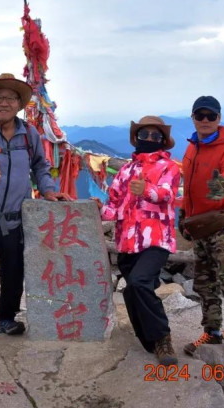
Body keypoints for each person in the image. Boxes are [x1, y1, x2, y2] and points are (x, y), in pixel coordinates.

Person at [0, 73, 71, 363]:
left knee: (13, 271)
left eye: (10, 98)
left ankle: (7, 318)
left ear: (19, 104)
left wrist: (48, 190)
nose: (4, 102)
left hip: (16, 218)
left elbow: (41, 165)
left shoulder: (29, 135)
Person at [93, 116, 180, 366]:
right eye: (145, 135)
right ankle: (148, 340)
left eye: (156, 136)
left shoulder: (169, 167)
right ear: (136, 138)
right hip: (127, 242)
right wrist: (99, 209)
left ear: (163, 140)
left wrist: (147, 191)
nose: (149, 139)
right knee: (132, 290)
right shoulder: (125, 171)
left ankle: (163, 338)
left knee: (139, 283)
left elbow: (168, 194)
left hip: (156, 240)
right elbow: (113, 206)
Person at [180, 95, 224, 360]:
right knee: (204, 279)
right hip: (201, 224)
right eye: (200, 115)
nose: (205, 120)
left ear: (219, 118)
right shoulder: (192, 148)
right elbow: (188, 188)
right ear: (193, 118)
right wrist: (184, 215)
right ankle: (212, 331)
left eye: (211, 116)